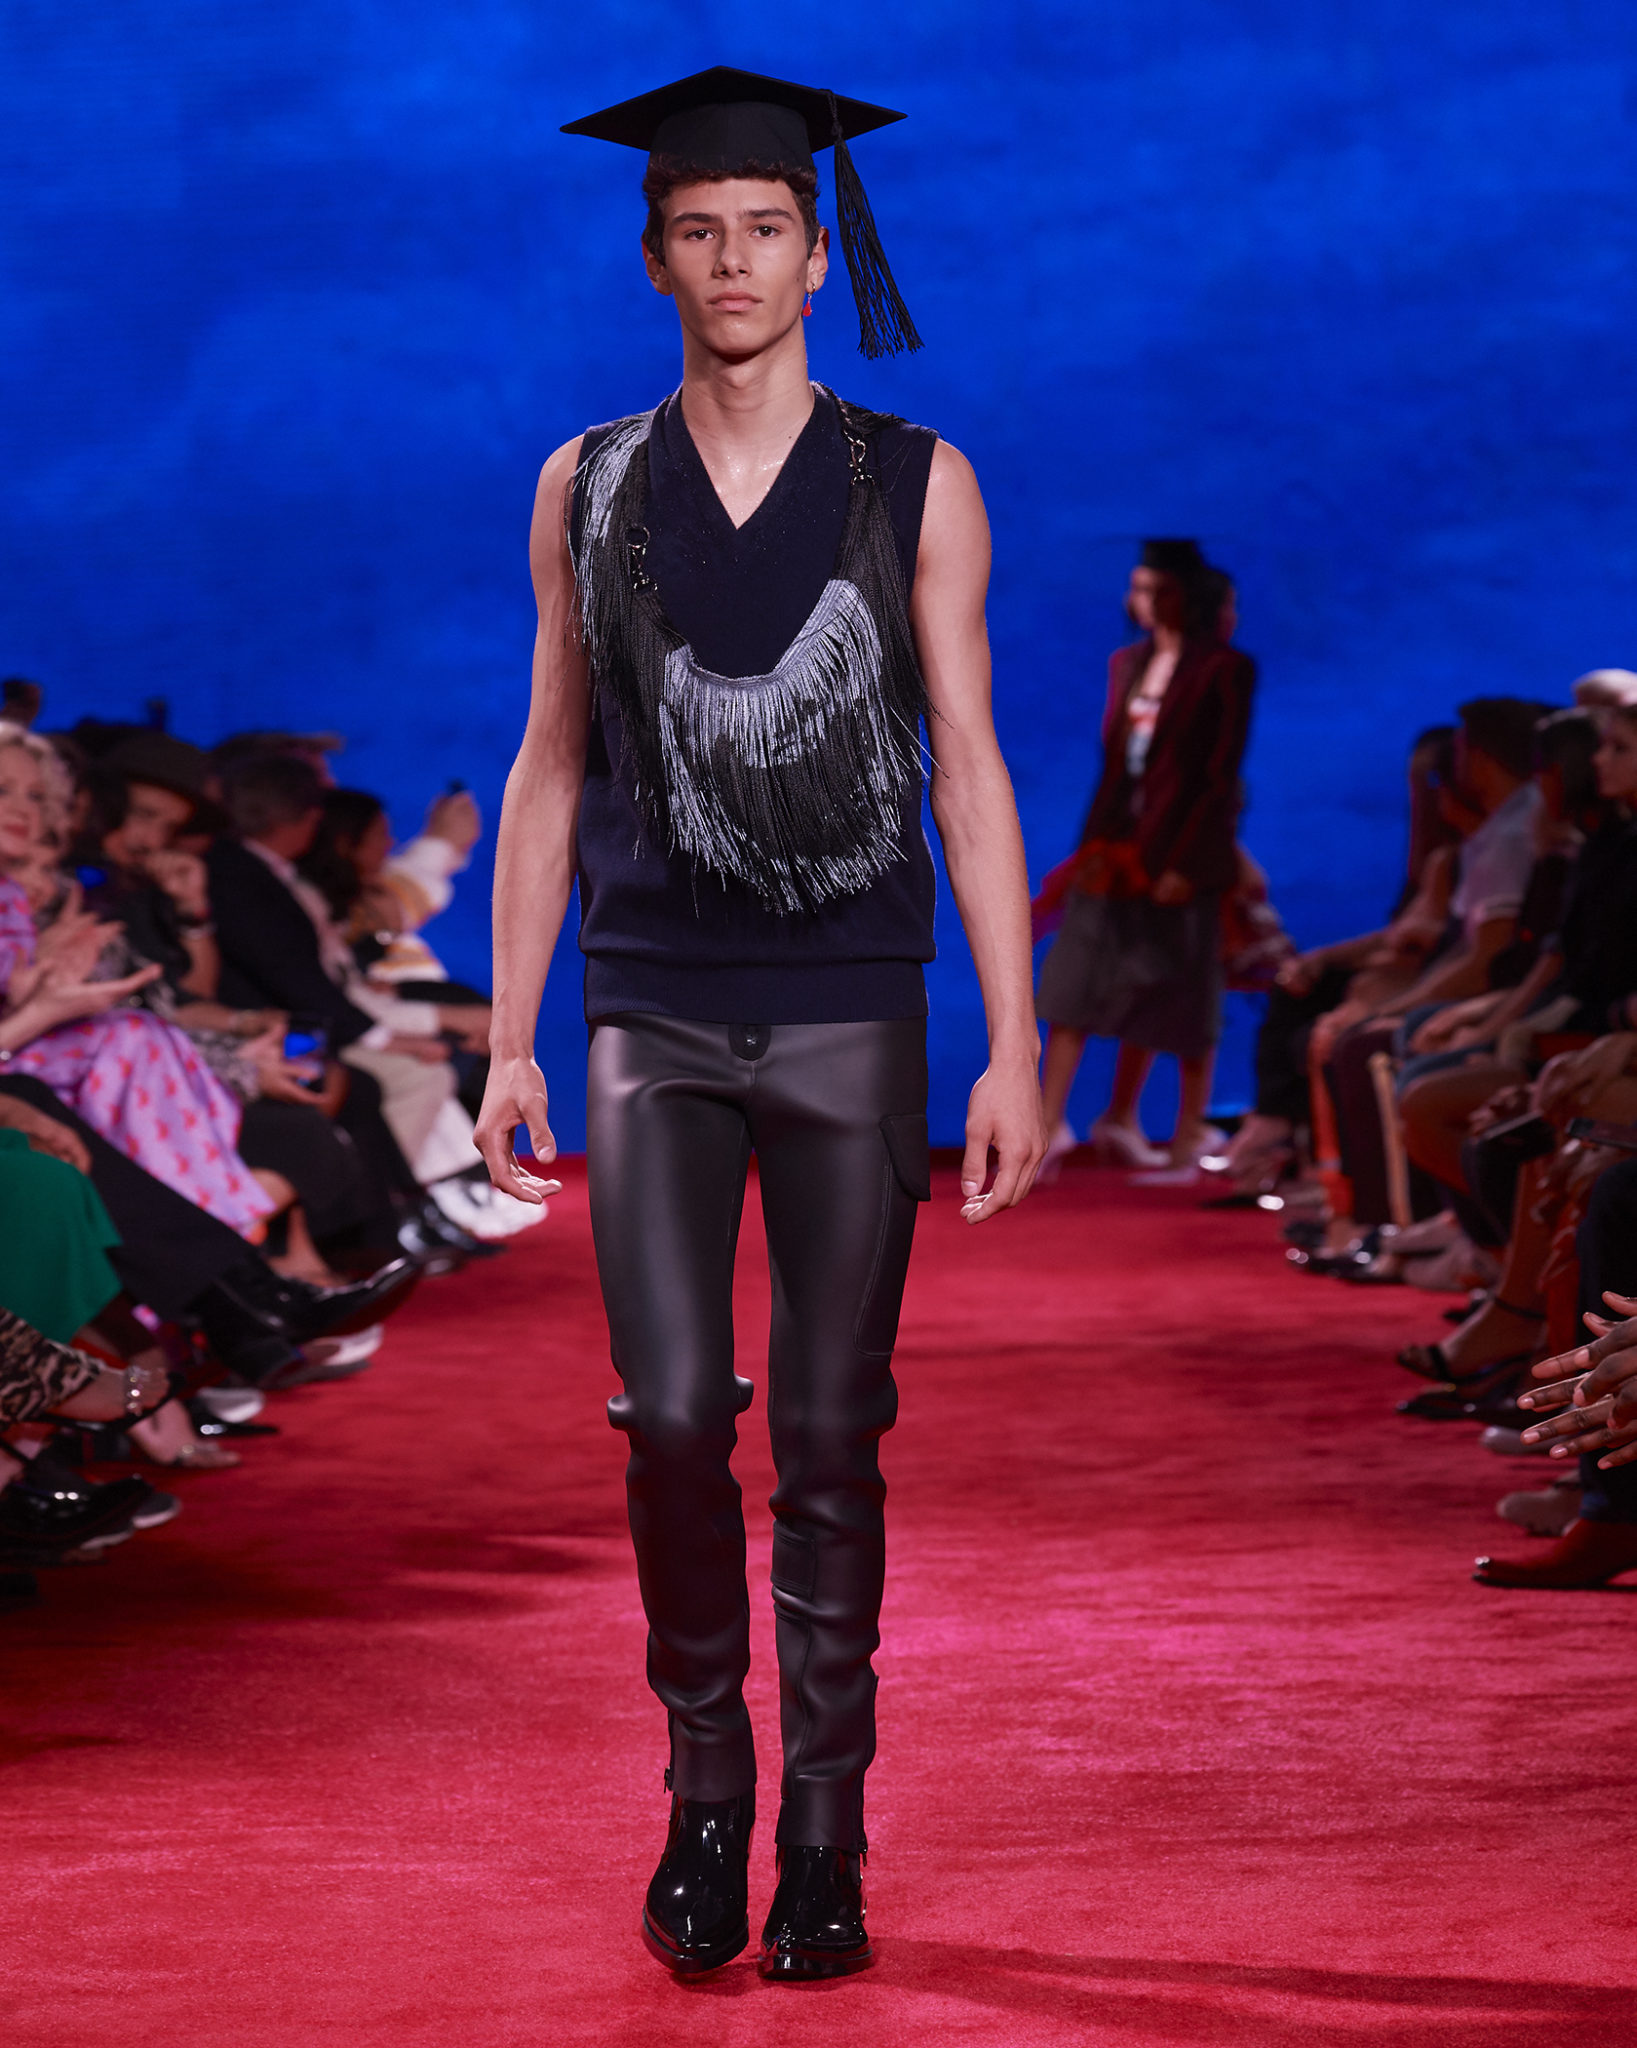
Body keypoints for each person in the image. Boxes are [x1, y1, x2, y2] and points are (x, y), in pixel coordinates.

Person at [475, 68, 1045, 1982]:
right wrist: (506, 1036)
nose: (734, 258)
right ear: (653, 259)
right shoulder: (582, 482)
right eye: (698, 230)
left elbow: (968, 761)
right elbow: (548, 763)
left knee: (827, 1433)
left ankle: (825, 1832)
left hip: (849, 1008)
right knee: (664, 1420)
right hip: (644, 1006)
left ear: (817, 255)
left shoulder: (914, 478)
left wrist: (1015, 1041)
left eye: (767, 228)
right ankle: (703, 1790)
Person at [1035, 538, 1256, 1172]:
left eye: (1155, 589)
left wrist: (1187, 862)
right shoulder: (1126, 663)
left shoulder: (1223, 669)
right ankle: (1050, 1124)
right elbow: (1115, 765)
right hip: (1116, 848)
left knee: (1176, 990)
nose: (1143, 601)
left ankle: (1161, 1127)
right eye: (1137, 589)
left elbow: (1217, 776)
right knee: (1077, 982)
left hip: (1180, 855)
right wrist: (1092, 846)